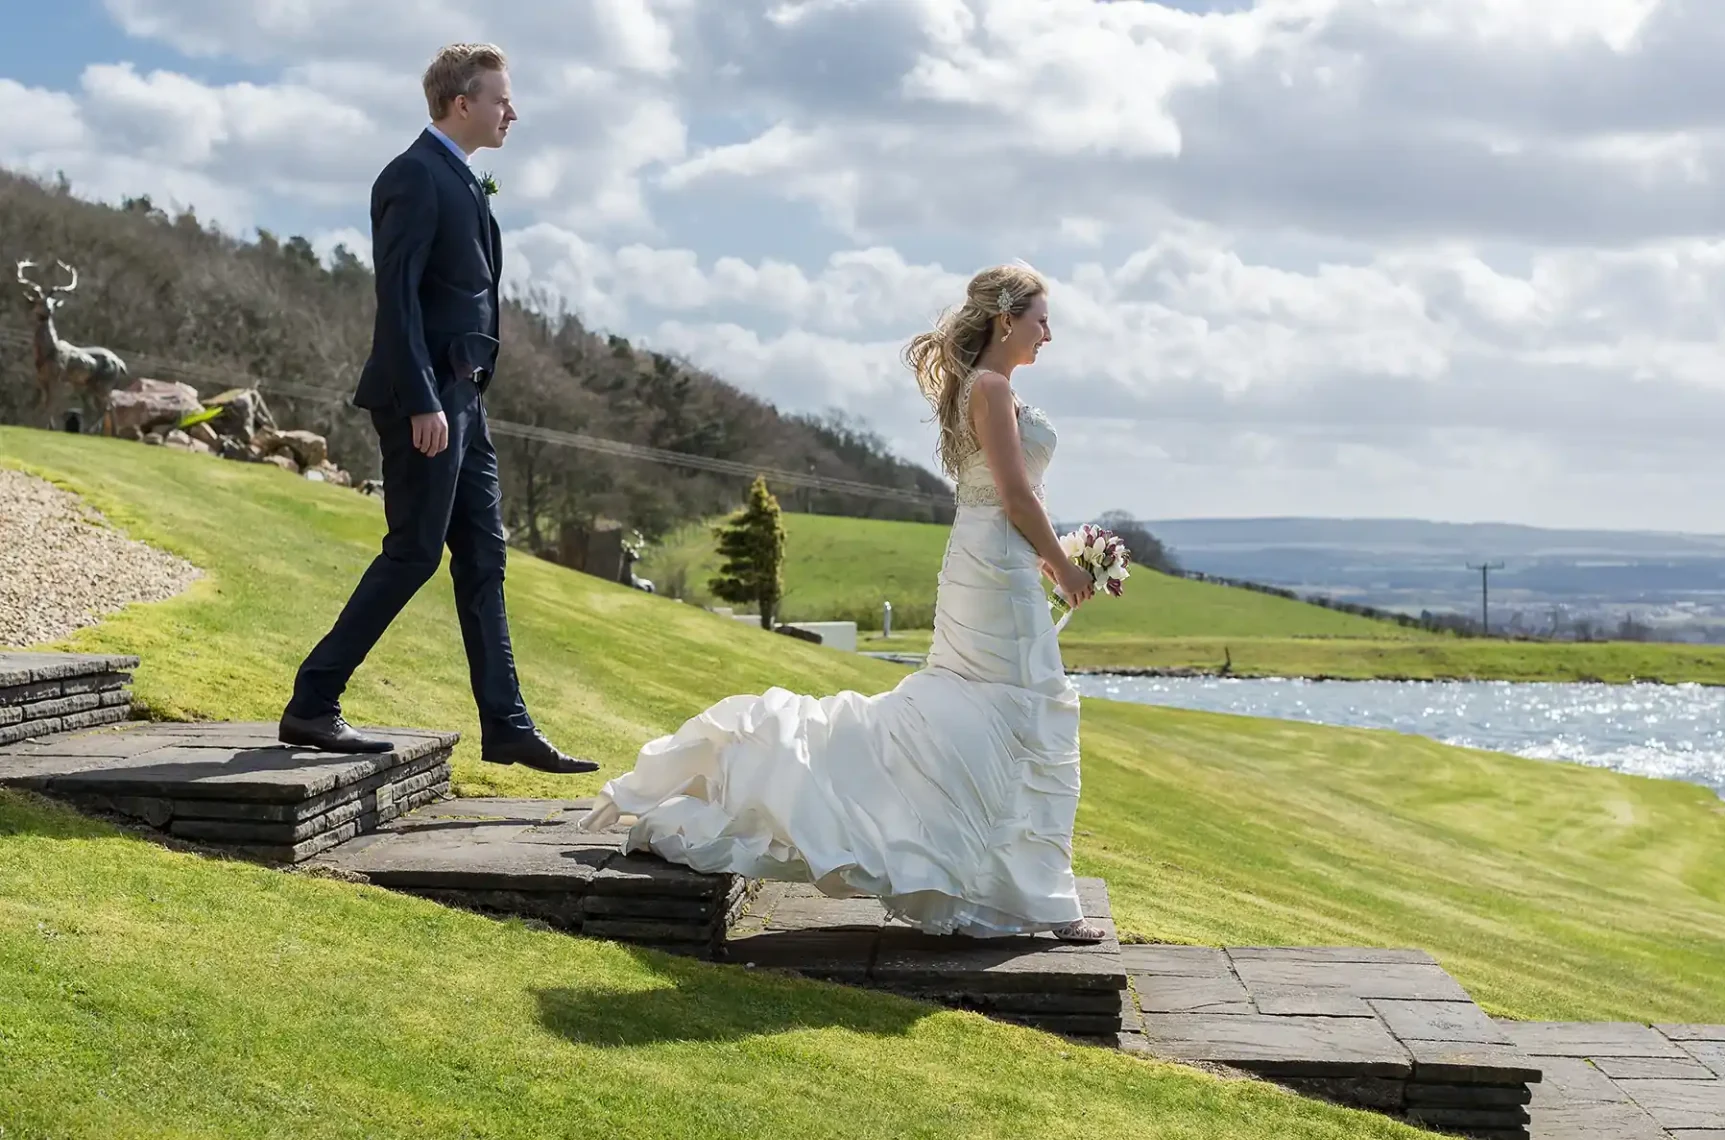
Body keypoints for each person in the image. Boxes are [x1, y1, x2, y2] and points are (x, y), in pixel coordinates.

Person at [582, 264, 1107, 942]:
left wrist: (1046, 552)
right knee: (1016, 707)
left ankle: (1010, 887)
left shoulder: (979, 386)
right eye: (1041, 318)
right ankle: (1023, 894)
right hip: (991, 570)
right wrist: (1064, 565)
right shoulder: (993, 386)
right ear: (1008, 319)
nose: (1049, 333)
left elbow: (1006, 497)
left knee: (996, 714)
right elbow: (1013, 493)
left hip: (990, 560)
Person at [279, 43, 594, 775]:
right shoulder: (414, 175)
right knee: (415, 552)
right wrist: (423, 399)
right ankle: (313, 702)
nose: (511, 112)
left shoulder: (459, 178)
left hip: (465, 403)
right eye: (500, 99)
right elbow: (397, 298)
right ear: (462, 103)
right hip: (424, 400)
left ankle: (508, 725)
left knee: (485, 558)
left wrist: (457, 400)